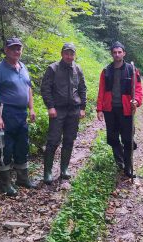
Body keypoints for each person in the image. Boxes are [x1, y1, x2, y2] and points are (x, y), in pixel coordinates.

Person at [0, 37, 36, 196]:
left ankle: (22, 178)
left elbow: (28, 88)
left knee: (22, 145)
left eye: (19, 48)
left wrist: (31, 108)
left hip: (21, 114)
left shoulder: (23, 67)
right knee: (5, 147)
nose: (17, 51)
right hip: (6, 112)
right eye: (13, 48)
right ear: (6, 50)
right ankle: (5, 182)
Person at [41, 43, 87, 185]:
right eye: (66, 53)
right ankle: (47, 172)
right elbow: (45, 88)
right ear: (62, 54)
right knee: (53, 141)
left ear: (74, 55)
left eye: (71, 53)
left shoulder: (77, 69)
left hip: (73, 110)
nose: (69, 56)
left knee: (69, 140)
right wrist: (50, 107)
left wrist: (82, 107)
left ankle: (64, 169)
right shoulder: (53, 68)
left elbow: (82, 88)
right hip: (58, 110)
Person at [96, 41, 143, 178]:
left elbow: (138, 89)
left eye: (119, 52)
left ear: (124, 53)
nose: (117, 54)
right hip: (110, 109)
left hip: (126, 109)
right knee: (112, 137)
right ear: (112, 54)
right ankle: (120, 160)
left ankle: (128, 167)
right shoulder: (106, 71)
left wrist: (137, 101)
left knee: (127, 139)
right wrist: (99, 109)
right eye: (114, 52)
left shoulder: (132, 70)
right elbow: (101, 90)